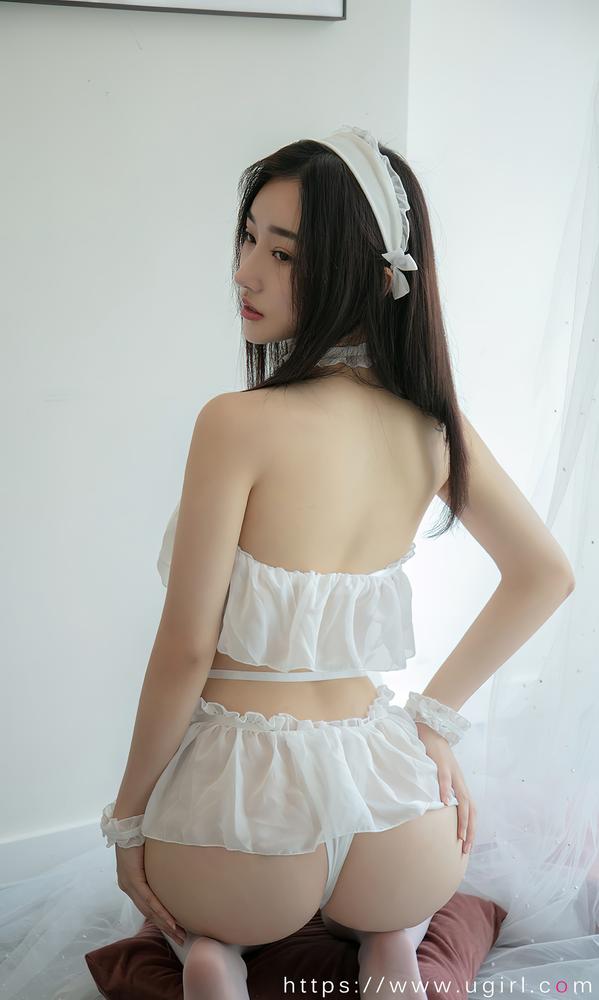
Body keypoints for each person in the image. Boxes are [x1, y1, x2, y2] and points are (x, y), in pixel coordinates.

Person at [99, 127, 575, 1000]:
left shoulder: (236, 423)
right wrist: (432, 724)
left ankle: (214, 952)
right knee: (398, 909)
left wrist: (127, 821)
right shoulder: (431, 425)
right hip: (395, 818)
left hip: (246, 827)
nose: (245, 272)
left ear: (359, 272)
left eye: (281, 254)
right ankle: (391, 940)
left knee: (196, 918)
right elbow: (546, 573)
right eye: (248, 238)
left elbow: (186, 650)